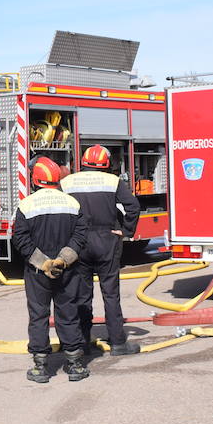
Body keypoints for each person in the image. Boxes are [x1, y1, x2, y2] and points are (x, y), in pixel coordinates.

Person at [61, 144, 143, 355]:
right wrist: (126, 230)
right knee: (110, 293)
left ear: (84, 161)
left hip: (79, 242)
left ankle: (82, 342)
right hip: (107, 239)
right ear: (106, 163)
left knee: (82, 294)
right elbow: (133, 206)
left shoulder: (67, 182)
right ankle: (118, 343)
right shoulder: (113, 181)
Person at [13, 157, 89, 383]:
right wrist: (63, 259)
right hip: (68, 270)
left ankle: (40, 367)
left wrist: (42, 262)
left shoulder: (26, 205)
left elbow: (20, 239)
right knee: (68, 314)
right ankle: (74, 365)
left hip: (37, 274)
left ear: (35, 180)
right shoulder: (72, 203)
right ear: (57, 179)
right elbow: (80, 235)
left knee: (39, 316)